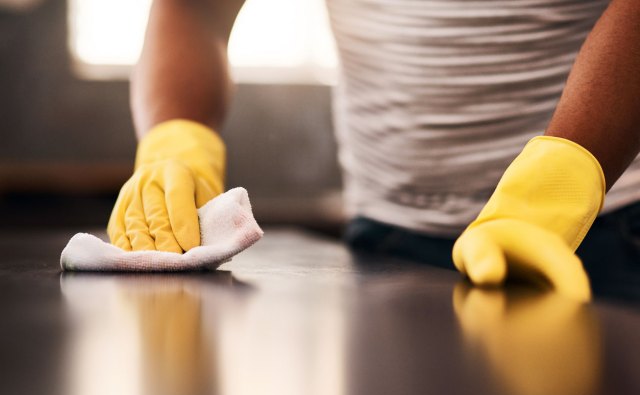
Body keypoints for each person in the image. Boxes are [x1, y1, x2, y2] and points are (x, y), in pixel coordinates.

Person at [107, 0, 640, 300]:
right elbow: (196, 11)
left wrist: (554, 193)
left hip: (603, 232)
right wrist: (176, 142)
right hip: (384, 236)